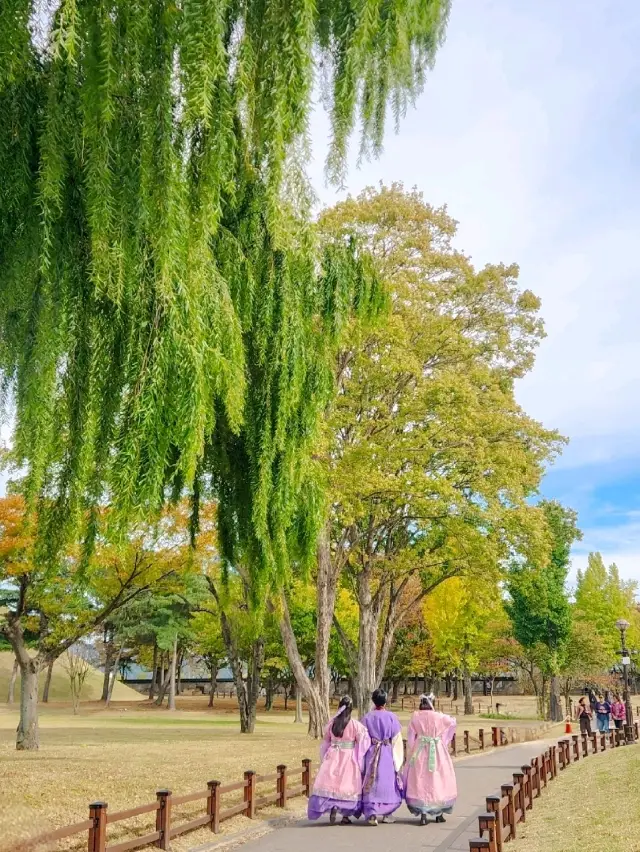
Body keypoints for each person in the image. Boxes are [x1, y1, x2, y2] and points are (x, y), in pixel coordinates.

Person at [308, 695, 371, 825]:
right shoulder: (355, 725)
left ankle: (332, 806)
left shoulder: (332, 723)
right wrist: (359, 756)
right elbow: (364, 742)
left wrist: (324, 756)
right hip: (348, 756)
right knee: (347, 784)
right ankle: (345, 815)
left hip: (333, 754)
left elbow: (325, 741)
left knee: (331, 782)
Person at [403, 694, 457, 826]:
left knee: (421, 779)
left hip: (420, 749)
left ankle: (423, 814)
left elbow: (410, 734)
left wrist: (413, 745)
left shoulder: (416, 716)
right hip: (437, 749)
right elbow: (452, 722)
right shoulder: (439, 717)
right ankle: (439, 814)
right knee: (438, 778)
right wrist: (443, 739)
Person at [360, 688, 404, 826]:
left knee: (372, 781)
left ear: (373, 700)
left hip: (371, 752)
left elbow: (362, 738)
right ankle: (387, 813)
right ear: (385, 701)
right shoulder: (391, 717)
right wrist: (398, 760)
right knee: (387, 781)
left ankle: (372, 813)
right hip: (386, 752)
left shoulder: (367, 717)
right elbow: (397, 739)